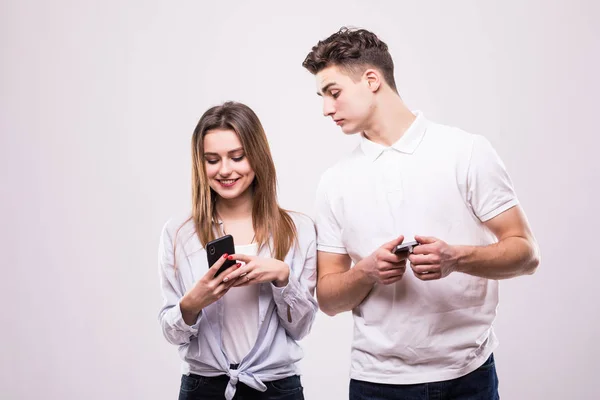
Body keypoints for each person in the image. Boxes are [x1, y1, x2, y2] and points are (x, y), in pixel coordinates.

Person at [302, 27, 540, 399]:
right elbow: (328, 298)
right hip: (376, 383)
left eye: (333, 93)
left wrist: (456, 258)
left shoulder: (466, 151)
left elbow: (526, 253)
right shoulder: (334, 182)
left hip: (468, 375)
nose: (326, 109)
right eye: (322, 97)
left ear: (371, 80)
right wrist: (366, 271)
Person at [158, 101, 318, 400]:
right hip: (203, 388)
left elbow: (301, 328)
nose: (225, 170)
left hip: (277, 389)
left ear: (256, 157)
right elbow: (171, 332)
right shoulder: (180, 233)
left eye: (237, 157)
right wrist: (192, 304)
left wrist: (283, 278)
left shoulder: (299, 229)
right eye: (212, 159)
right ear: (200, 163)